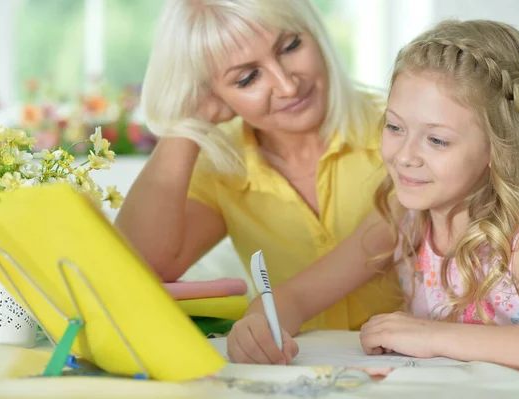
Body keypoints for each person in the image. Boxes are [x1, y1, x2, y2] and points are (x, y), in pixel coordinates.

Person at [226, 19, 519, 373]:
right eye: (394, 127)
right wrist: (257, 325)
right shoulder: (402, 217)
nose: (404, 156)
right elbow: (300, 295)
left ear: (499, 149)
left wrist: (434, 336)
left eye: (437, 140)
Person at [115, 0, 402, 332]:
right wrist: (189, 122)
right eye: (247, 78)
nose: (288, 86)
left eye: (291, 46)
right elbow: (139, 268)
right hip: (296, 371)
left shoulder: (405, 130)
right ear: (213, 92)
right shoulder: (222, 168)